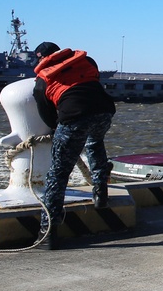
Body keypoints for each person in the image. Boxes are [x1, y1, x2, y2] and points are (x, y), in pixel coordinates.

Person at [33, 42, 117, 249]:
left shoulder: (42, 79)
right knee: (95, 142)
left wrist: (58, 130)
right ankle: (100, 191)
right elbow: (92, 81)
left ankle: (48, 231)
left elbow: (47, 113)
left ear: (41, 58)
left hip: (73, 117)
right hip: (105, 111)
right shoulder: (86, 61)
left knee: (58, 174)